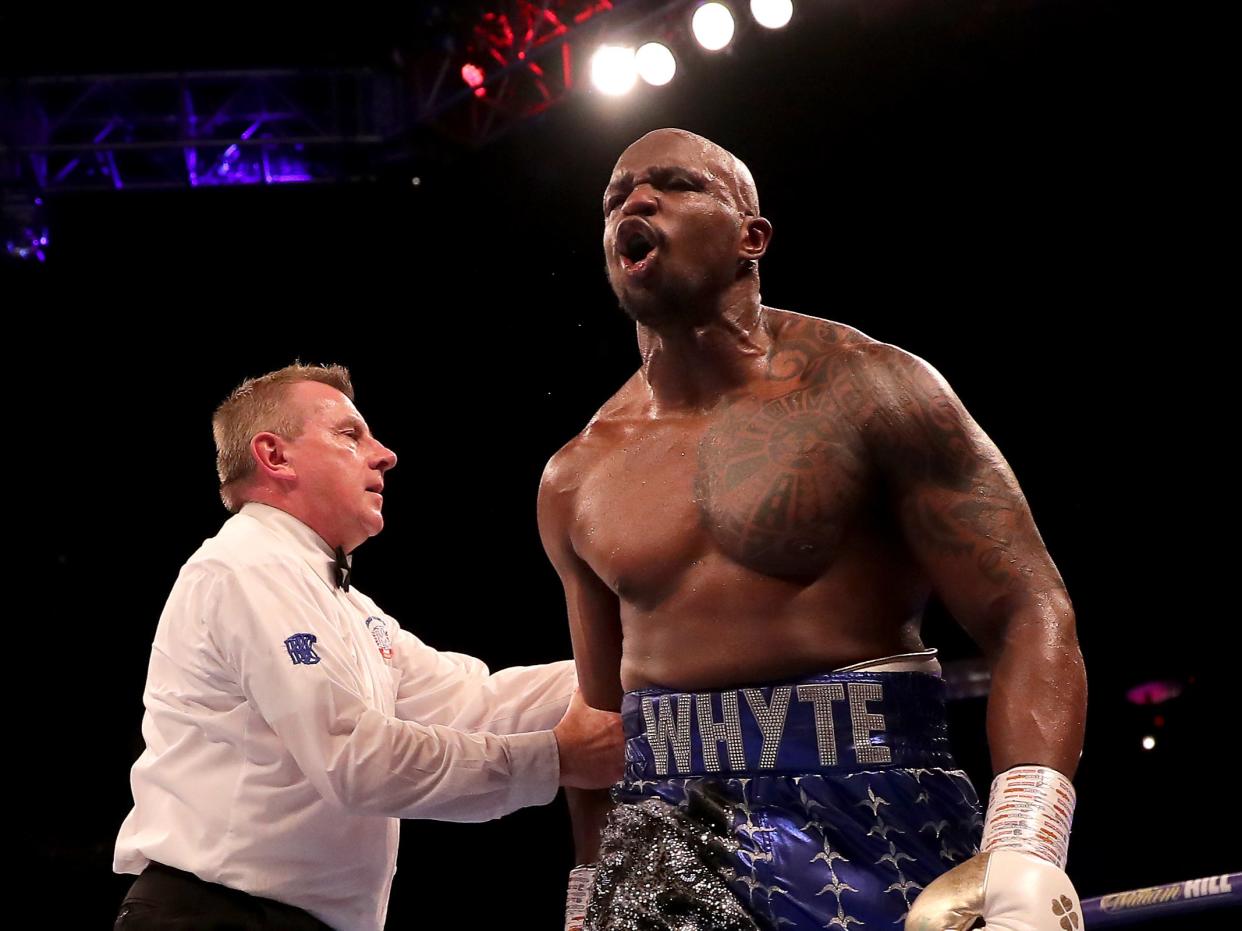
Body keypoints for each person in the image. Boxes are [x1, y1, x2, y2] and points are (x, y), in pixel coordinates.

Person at [538, 129, 1087, 931]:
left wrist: (1028, 841)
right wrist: (584, 902)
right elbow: (601, 726)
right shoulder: (575, 474)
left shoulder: (871, 391)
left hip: (875, 812)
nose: (636, 202)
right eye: (617, 197)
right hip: (660, 841)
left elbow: (1030, 610)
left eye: (674, 184)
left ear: (751, 237)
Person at [114, 363, 622, 931]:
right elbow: (356, 758)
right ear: (274, 457)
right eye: (349, 435)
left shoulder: (349, 608)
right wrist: (554, 759)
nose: (385, 455)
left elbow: (477, 704)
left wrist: (637, 662)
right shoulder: (244, 568)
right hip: (216, 914)